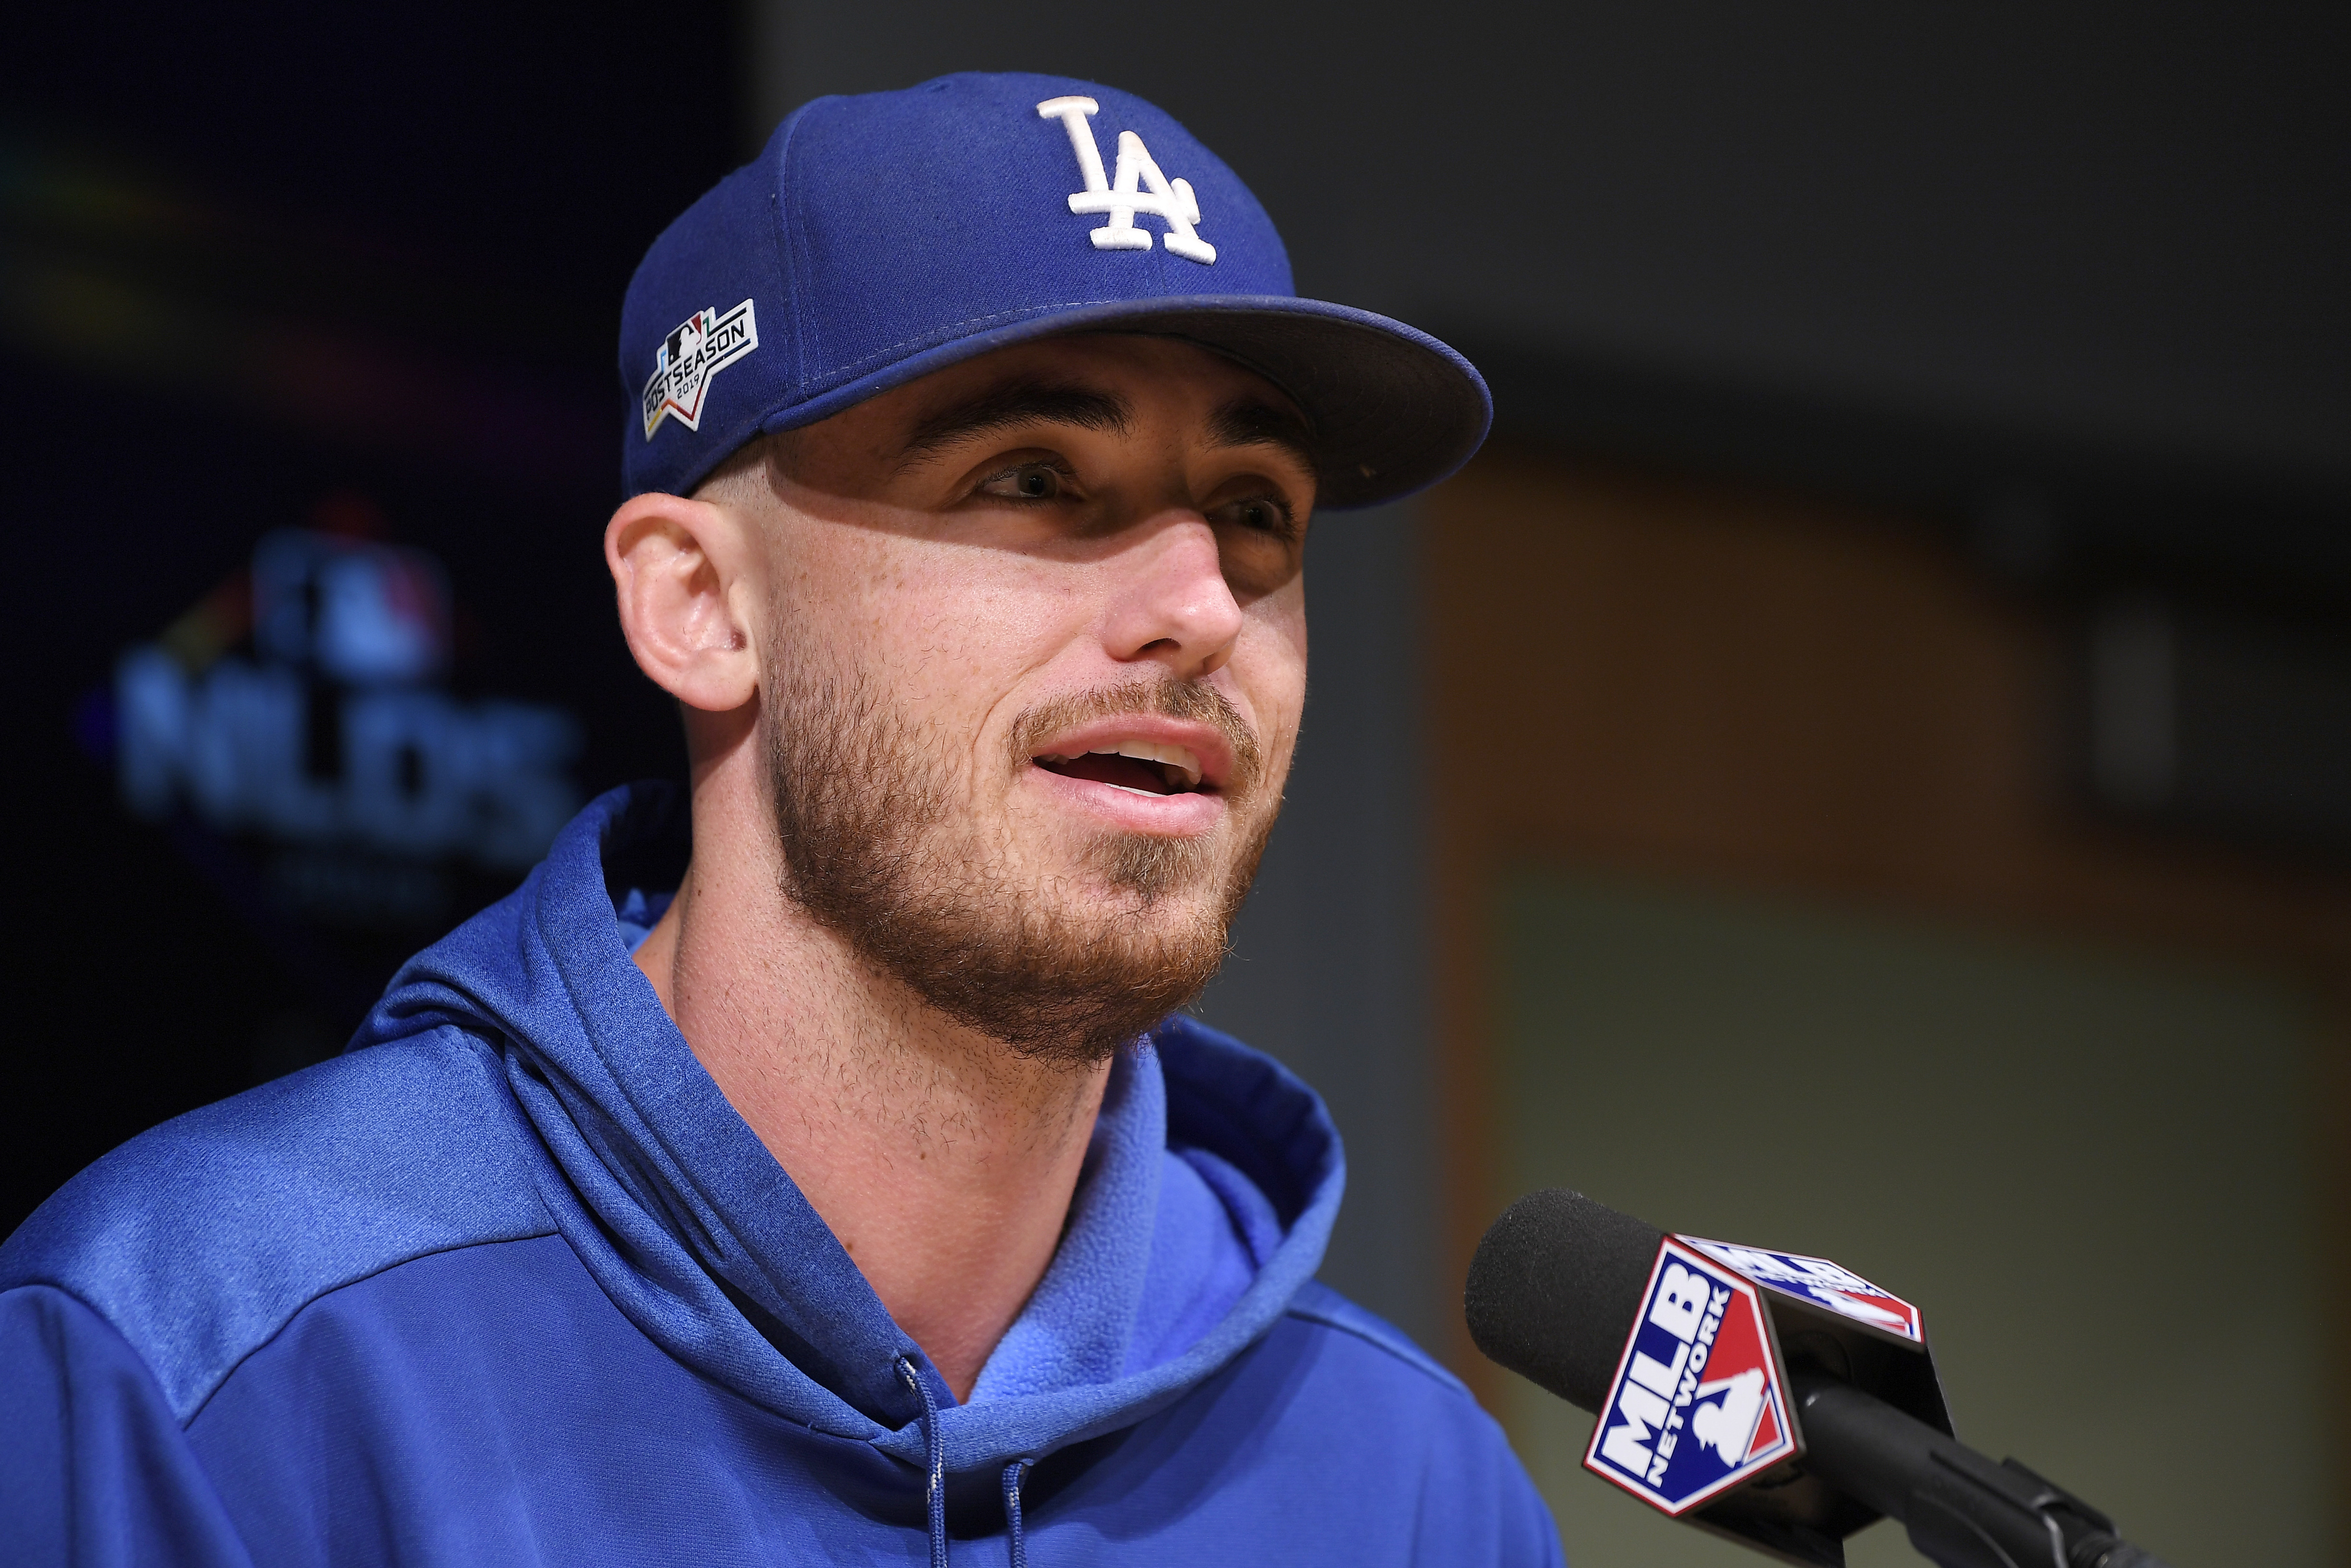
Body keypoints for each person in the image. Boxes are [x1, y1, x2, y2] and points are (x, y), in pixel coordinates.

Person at [0, 73, 1560, 1566]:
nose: (1199, 604)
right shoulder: (203, 1352)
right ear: (699, 607)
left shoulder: (1414, 1483)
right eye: (1033, 476)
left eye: (1253, 515)